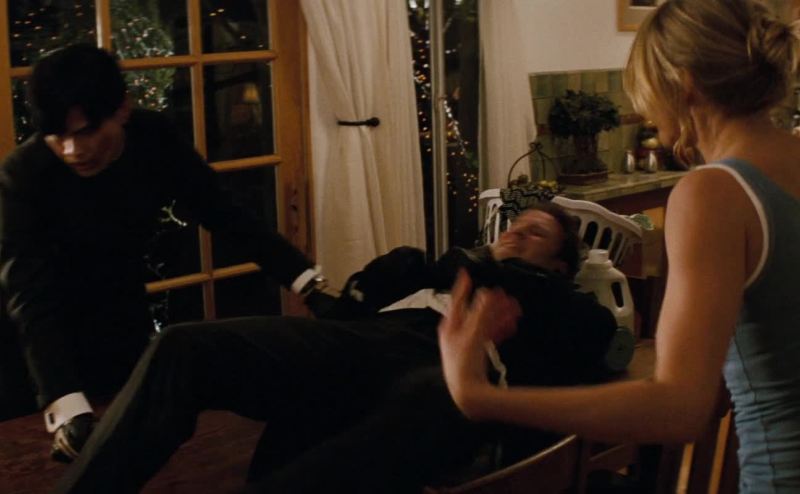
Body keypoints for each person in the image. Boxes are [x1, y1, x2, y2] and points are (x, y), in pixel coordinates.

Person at [438, 0, 800, 491]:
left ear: (684, 83)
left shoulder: (714, 194)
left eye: (645, 85)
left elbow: (679, 409)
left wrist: (481, 396)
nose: (643, 107)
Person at [52, 202, 619, 493]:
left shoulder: (562, 305)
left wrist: (504, 281)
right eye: (513, 224)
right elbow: (353, 305)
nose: (514, 232)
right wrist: (413, 270)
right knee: (183, 346)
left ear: (560, 265)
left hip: (440, 369)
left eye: (535, 233)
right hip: (365, 342)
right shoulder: (448, 272)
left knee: (425, 400)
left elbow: (594, 337)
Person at [0, 44, 331, 462]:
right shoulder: (24, 173)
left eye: (85, 131)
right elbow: (30, 292)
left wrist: (308, 282)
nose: (71, 150)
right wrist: (64, 404)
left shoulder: (153, 138)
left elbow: (224, 214)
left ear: (122, 109)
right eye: (56, 136)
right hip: (32, 348)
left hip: (118, 314)